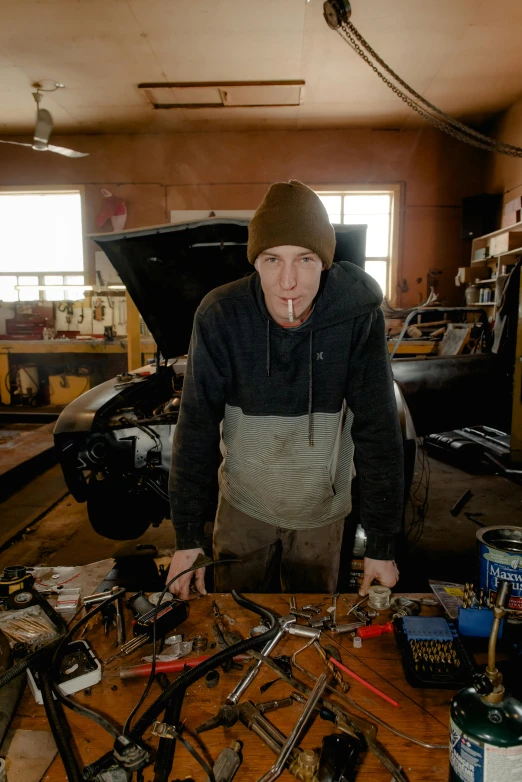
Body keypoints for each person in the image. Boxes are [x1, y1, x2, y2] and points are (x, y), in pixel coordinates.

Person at [167, 180, 403, 600]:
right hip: (243, 505)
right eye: (273, 259)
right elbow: (196, 426)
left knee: (315, 629)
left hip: (322, 512)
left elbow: (379, 428)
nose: (288, 281)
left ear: (325, 263)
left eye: (306, 259)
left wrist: (381, 545)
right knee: (235, 623)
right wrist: (187, 536)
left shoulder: (357, 319)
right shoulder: (221, 316)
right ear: (255, 261)